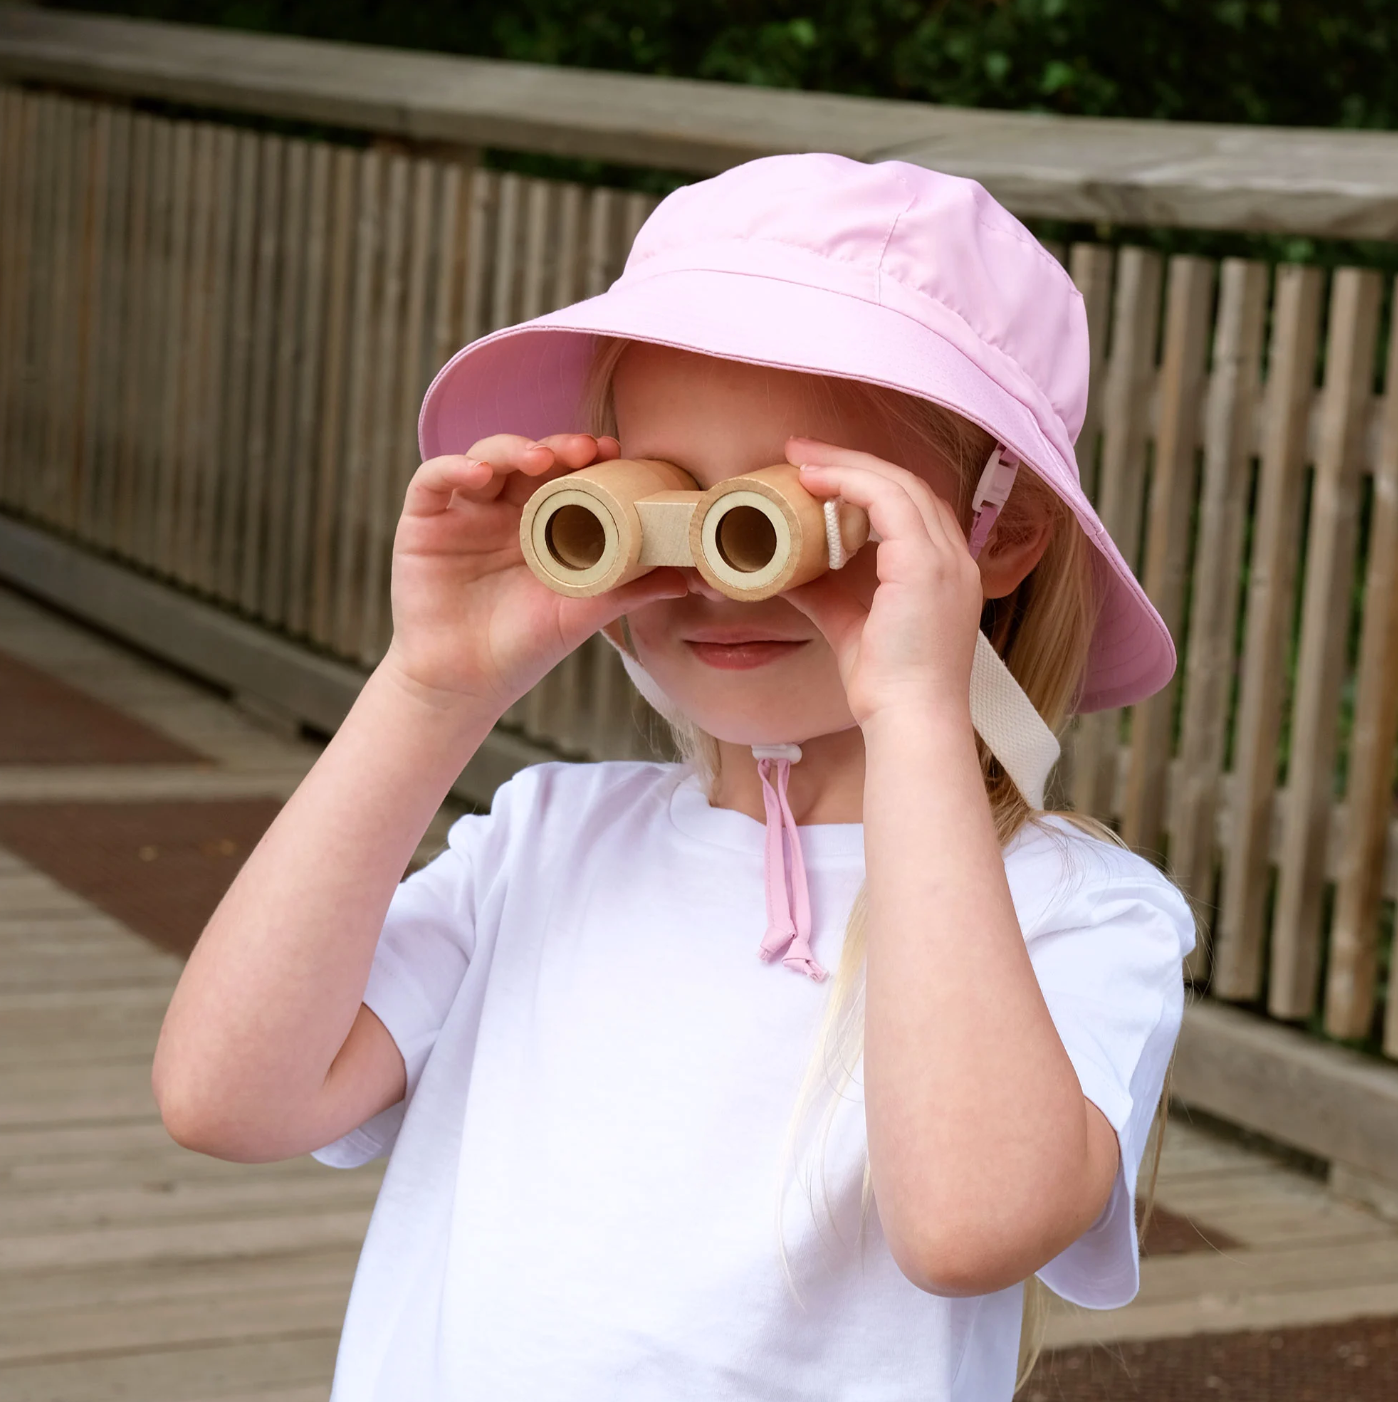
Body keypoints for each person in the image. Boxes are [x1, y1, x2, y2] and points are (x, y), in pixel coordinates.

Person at [152, 153, 1193, 1401]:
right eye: (664, 493)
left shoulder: (1073, 911)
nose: (712, 565)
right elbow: (227, 1097)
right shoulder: (542, 838)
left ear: (999, 534)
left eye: (782, 509)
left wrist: (918, 708)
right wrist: (430, 689)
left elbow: (967, 1228)